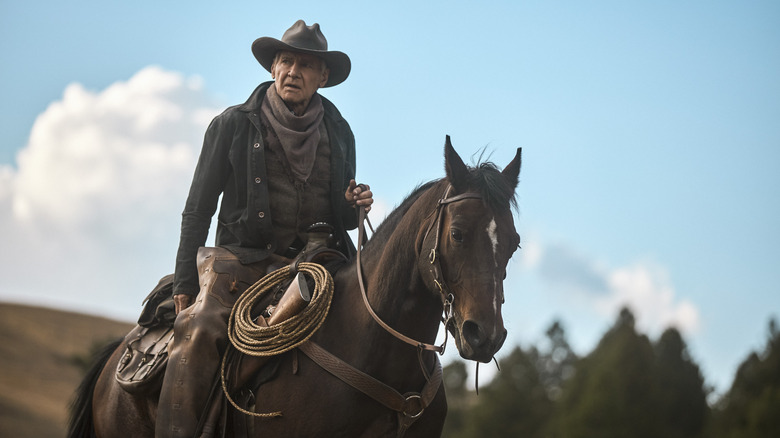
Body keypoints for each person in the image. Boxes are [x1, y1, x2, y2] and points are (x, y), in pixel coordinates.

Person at [155, 20, 373, 438]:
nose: (294, 71)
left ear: (322, 77)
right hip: (242, 262)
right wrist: (185, 279)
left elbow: (341, 216)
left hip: (318, 265)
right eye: (286, 61)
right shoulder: (233, 124)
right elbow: (197, 210)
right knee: (199, 331)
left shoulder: (340, 131)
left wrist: (352, 206)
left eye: (306, 65)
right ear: (272, 67)